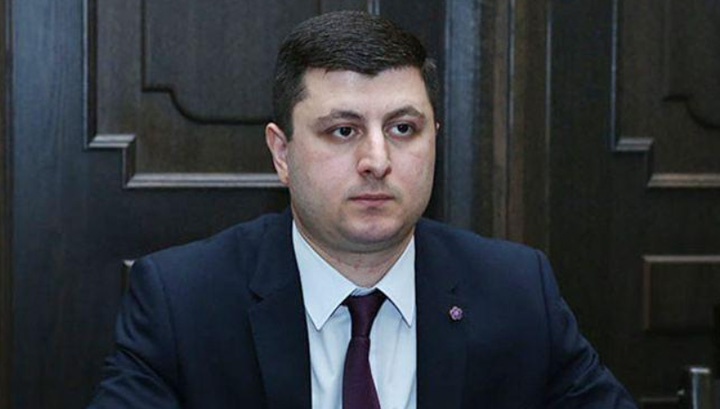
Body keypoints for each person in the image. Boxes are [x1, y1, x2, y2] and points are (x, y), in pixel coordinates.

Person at [87, 10, 637, 409]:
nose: (377, 160)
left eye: (403, 129)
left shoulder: (516, 291)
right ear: (282, 153)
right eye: (343, 131)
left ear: (435, 138)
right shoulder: (183, 301)